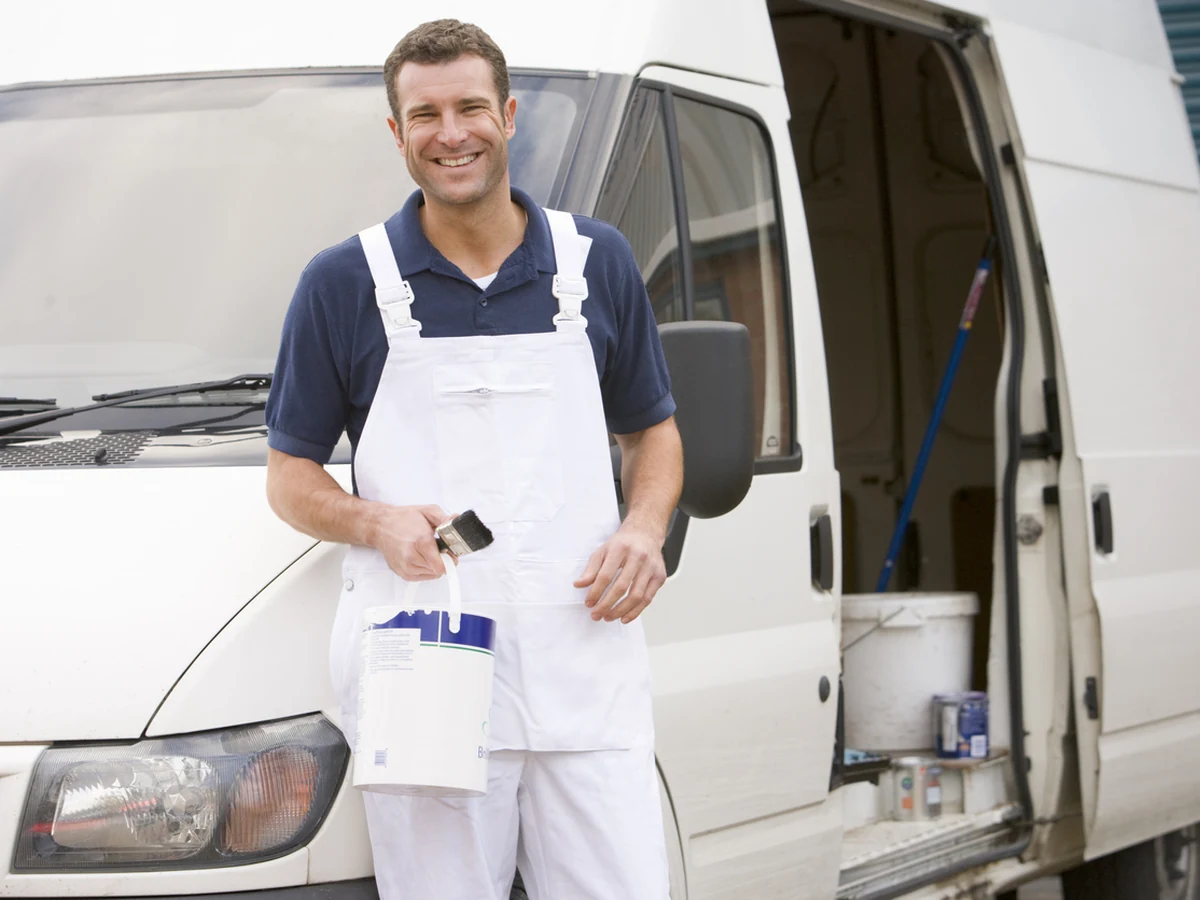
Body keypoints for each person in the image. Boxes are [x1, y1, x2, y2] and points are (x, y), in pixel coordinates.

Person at [264, 18, 683, 900]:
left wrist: (645, 529)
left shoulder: (593, 263)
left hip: (584, 663)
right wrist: (372, 520)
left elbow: (652, 431)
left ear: (509, 114)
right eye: (425, 115)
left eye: (469, 108)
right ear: (396, 131)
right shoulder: (343, 283)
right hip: (428, 676)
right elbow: (291, 477)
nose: (450, 134)